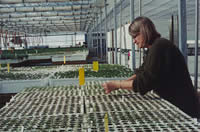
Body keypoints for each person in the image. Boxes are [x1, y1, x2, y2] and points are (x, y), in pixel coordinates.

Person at [102, 16, 200, 118]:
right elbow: (141, 72)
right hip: (176, 104)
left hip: (183, 108)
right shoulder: (155, 47)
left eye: (135, 36)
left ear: (144, 32)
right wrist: (121, 84)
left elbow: (145, 83)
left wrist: (118, 85)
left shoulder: (159, 47)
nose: (134, 41)